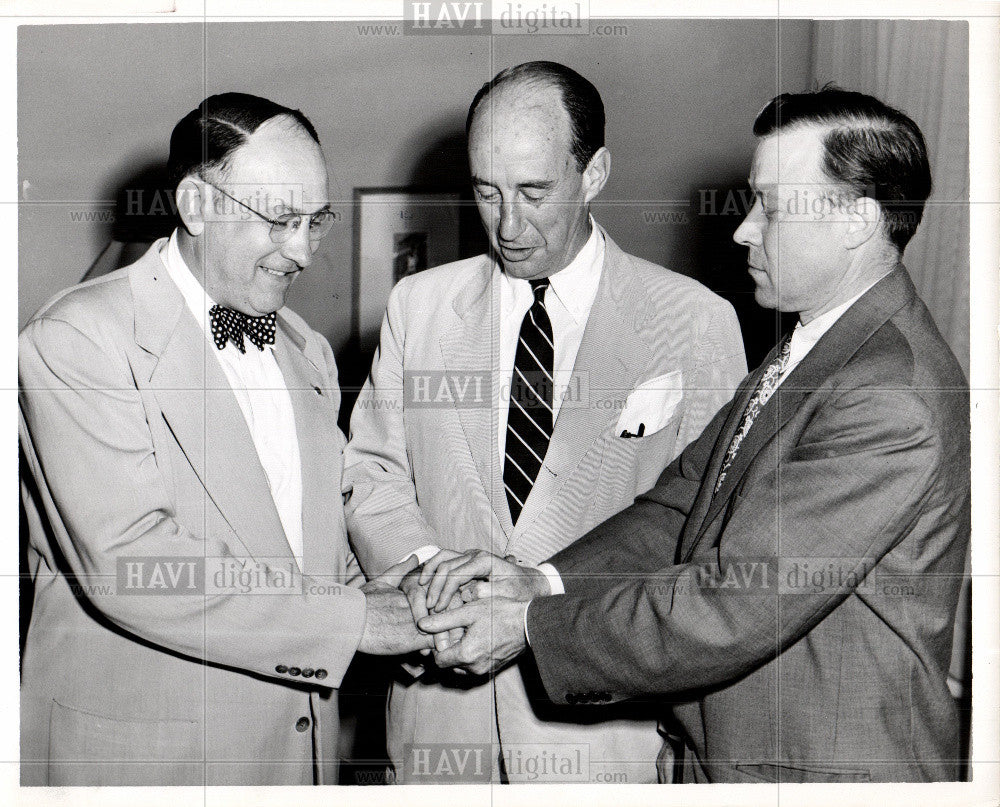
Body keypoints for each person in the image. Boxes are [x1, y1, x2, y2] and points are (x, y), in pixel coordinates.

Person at [419, 87, 971, 784]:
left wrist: (530, 623)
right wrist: (544, 577)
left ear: (857, 218)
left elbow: (732, 600)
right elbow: (683, 504)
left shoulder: (890, 392)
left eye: (771, 204)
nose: (743, 229)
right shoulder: (817, 344)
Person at [342, 61, 747, 783]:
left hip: (602, 740)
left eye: (534, 192)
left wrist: (542, 603)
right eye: (486, 191)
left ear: (594, 174)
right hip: (440, 733)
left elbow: (705, 537)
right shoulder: (419, 306)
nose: (507, 225)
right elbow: (371, 472)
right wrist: (429, 583)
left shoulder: (694, 321)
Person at [18, 93, 430, 787]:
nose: (302, 251)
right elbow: (134, 562)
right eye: (279, 219)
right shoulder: (77, 339)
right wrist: (360, 620)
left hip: (296, 760)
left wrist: (411, 594)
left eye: (315, 220)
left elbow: (310, 543)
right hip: (147, 766)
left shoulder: (305, 349)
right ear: (196, 205)